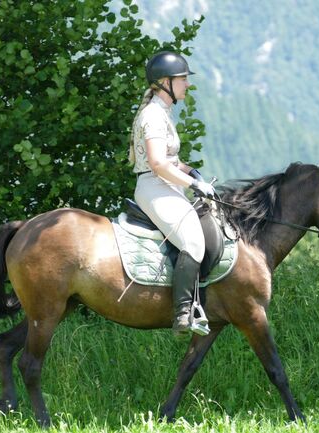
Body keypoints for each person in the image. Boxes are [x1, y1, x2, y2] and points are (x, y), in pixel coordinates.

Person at [129, 51, 216, 336]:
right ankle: (183, 314)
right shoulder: (153, 115)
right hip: (155, 187)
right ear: (165, 82)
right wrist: (193, 186)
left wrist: (192, 173)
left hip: (165, 184)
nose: (187, 84)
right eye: (182, 79)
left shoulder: (162, 112)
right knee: (193, 242)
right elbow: (157, 163)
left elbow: (170, 160)